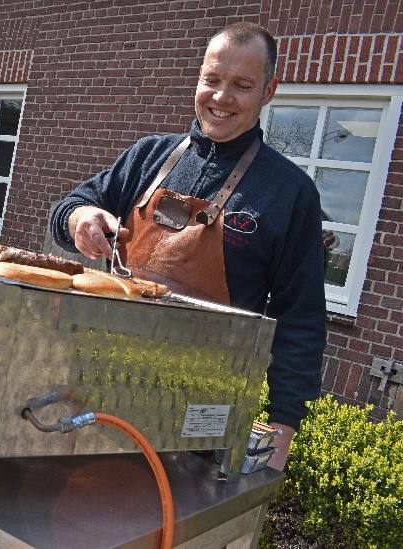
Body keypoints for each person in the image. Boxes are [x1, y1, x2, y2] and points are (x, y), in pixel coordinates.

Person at [50, 22, 326, 471]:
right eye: (212, 80)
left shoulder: (290, 193)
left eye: (241, 85)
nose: (221, 98)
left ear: (268, 91)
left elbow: (302, 319)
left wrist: (282, 431)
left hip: (199, 416)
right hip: (95, 383)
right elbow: (68, 208)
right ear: (198, 77)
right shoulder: (147, 156)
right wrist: (80, 219)